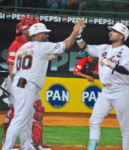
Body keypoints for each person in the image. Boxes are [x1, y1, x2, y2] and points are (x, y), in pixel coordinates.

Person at [2, 19, 84, 150]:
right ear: (38, 35)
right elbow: (66, 45)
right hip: (26, 85)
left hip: (19, 83)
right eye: (45, 33)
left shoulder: (23, 48)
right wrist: (74, 31)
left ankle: (27, 147)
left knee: (27, 120)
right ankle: (7, 148)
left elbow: (16, 71)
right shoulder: (42, 46)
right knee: (19, 120)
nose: (48, 35)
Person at [76, 22, 129, 150]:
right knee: (93, 121)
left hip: (121, 91)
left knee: (124, 126)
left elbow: (126, 70)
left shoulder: (126, 51)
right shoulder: (103, 48)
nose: (110, 32)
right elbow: (84, 48)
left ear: (122, 36)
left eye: (114, 31)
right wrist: (78, 35)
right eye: (111, 30)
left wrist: (109, 64)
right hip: (106, 91)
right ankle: (92, 148)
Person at [3, 14, 53, 150]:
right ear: (24, 30)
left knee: (34, 112)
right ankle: (8, 145)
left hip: (27, 82)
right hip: (19, 81)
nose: (34, 28)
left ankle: (31, 144)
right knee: (17, 114)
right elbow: (11, 66)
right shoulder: (17, 43)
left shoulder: (32, 44)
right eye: (31, 26)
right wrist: (16, 87)